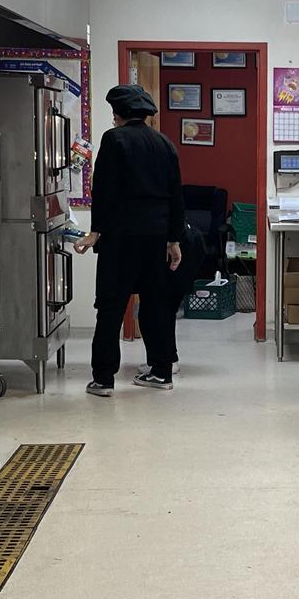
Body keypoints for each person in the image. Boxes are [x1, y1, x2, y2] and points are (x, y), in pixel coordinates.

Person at [74, 84, 185, 395]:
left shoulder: (114, 139)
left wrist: (95, 232)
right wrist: (174, 240)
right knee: (155, 306)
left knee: (110, 307)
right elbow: (177, 195)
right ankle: (162, 371)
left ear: (118, 115)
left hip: (121, 237)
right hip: (157, 236)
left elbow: (104, 189)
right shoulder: (165, 144)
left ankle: (103, 379)